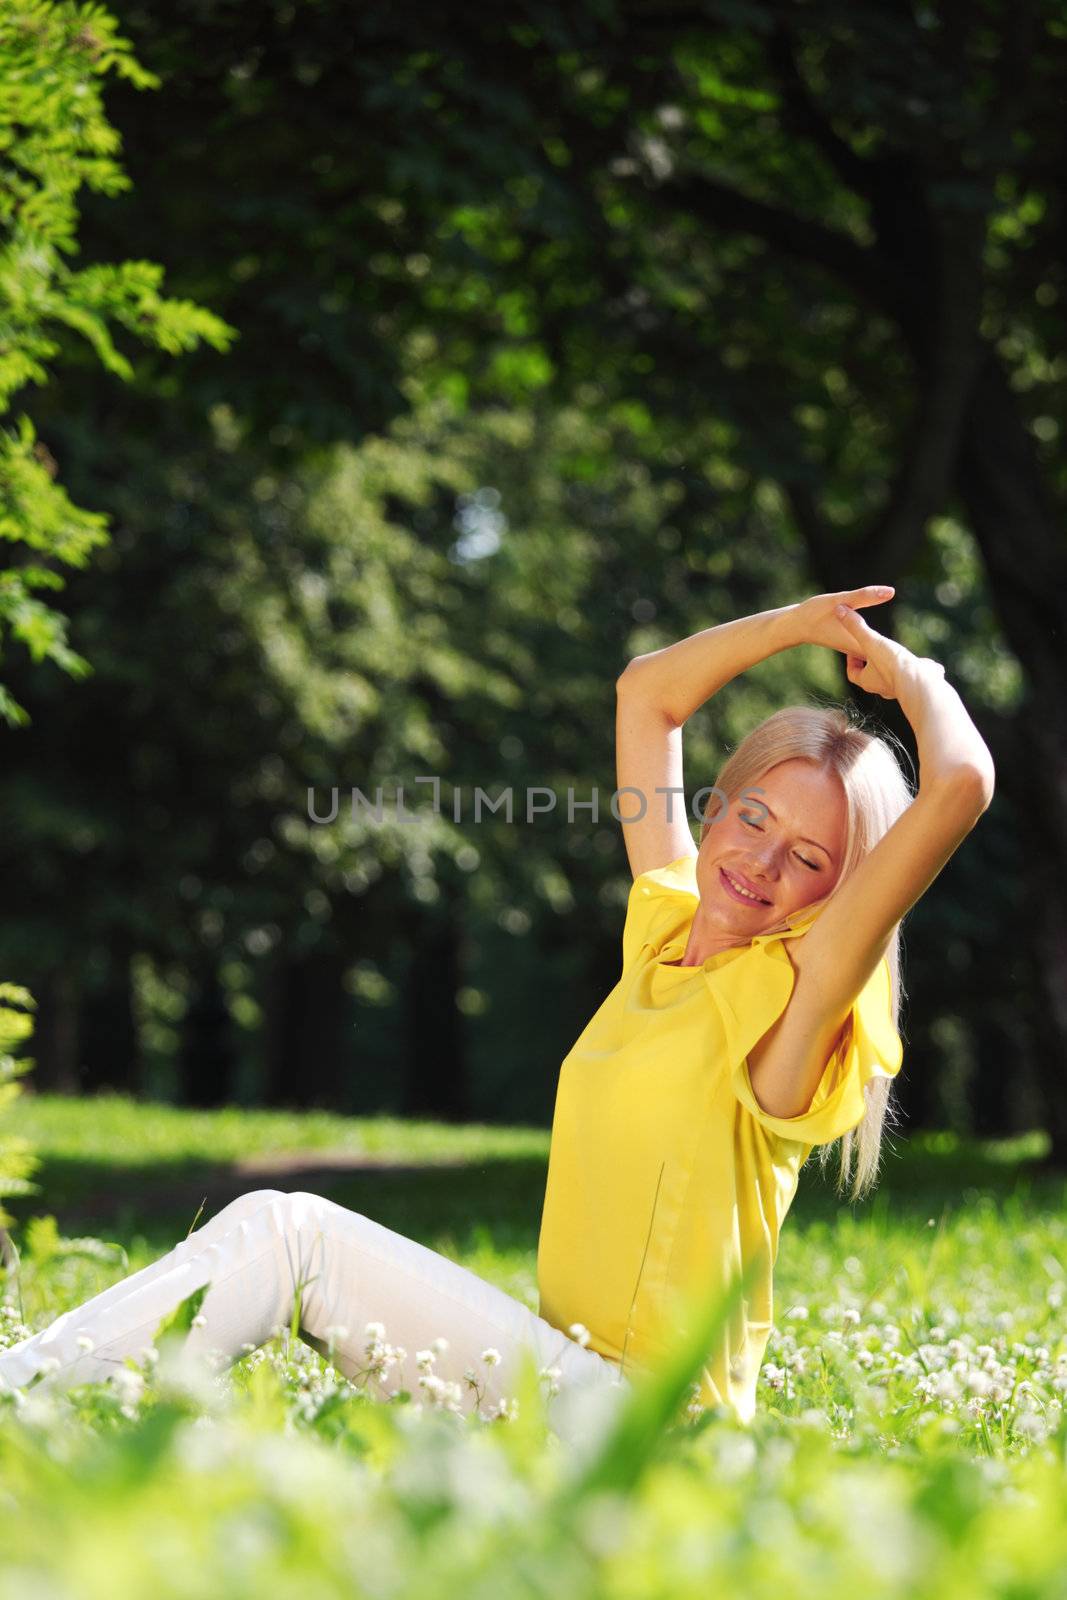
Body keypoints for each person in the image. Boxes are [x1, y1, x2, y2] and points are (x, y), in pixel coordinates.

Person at [0, 586, 995, 1432]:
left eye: (810, 859)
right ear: (717, 807)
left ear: (839, 899)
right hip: (557, 1382)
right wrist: (798, 625)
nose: (763, 861)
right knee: (284, 1243)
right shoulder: (663, 932)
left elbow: (959, 782)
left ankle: (30, 1402)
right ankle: (62, 1401)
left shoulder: (792, 1007)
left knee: (287, 1232)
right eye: (752, 817)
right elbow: (646, 696)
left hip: (641, 1424)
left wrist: (921, 683)